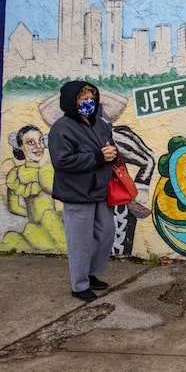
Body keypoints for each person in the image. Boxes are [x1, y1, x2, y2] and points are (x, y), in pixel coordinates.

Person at [49, 81, 118, 302]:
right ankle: (79, 285)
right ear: (71, 101)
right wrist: (99, 157)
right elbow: (62, 160)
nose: (88, 102)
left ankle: (90, 274)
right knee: (79, 240)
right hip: (77, 192)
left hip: (100, 188)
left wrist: (111, 152)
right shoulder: (61, 128)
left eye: (91, 97)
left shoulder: (99, 124)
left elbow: (109, 147)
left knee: (105, 232)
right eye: (82, 98)